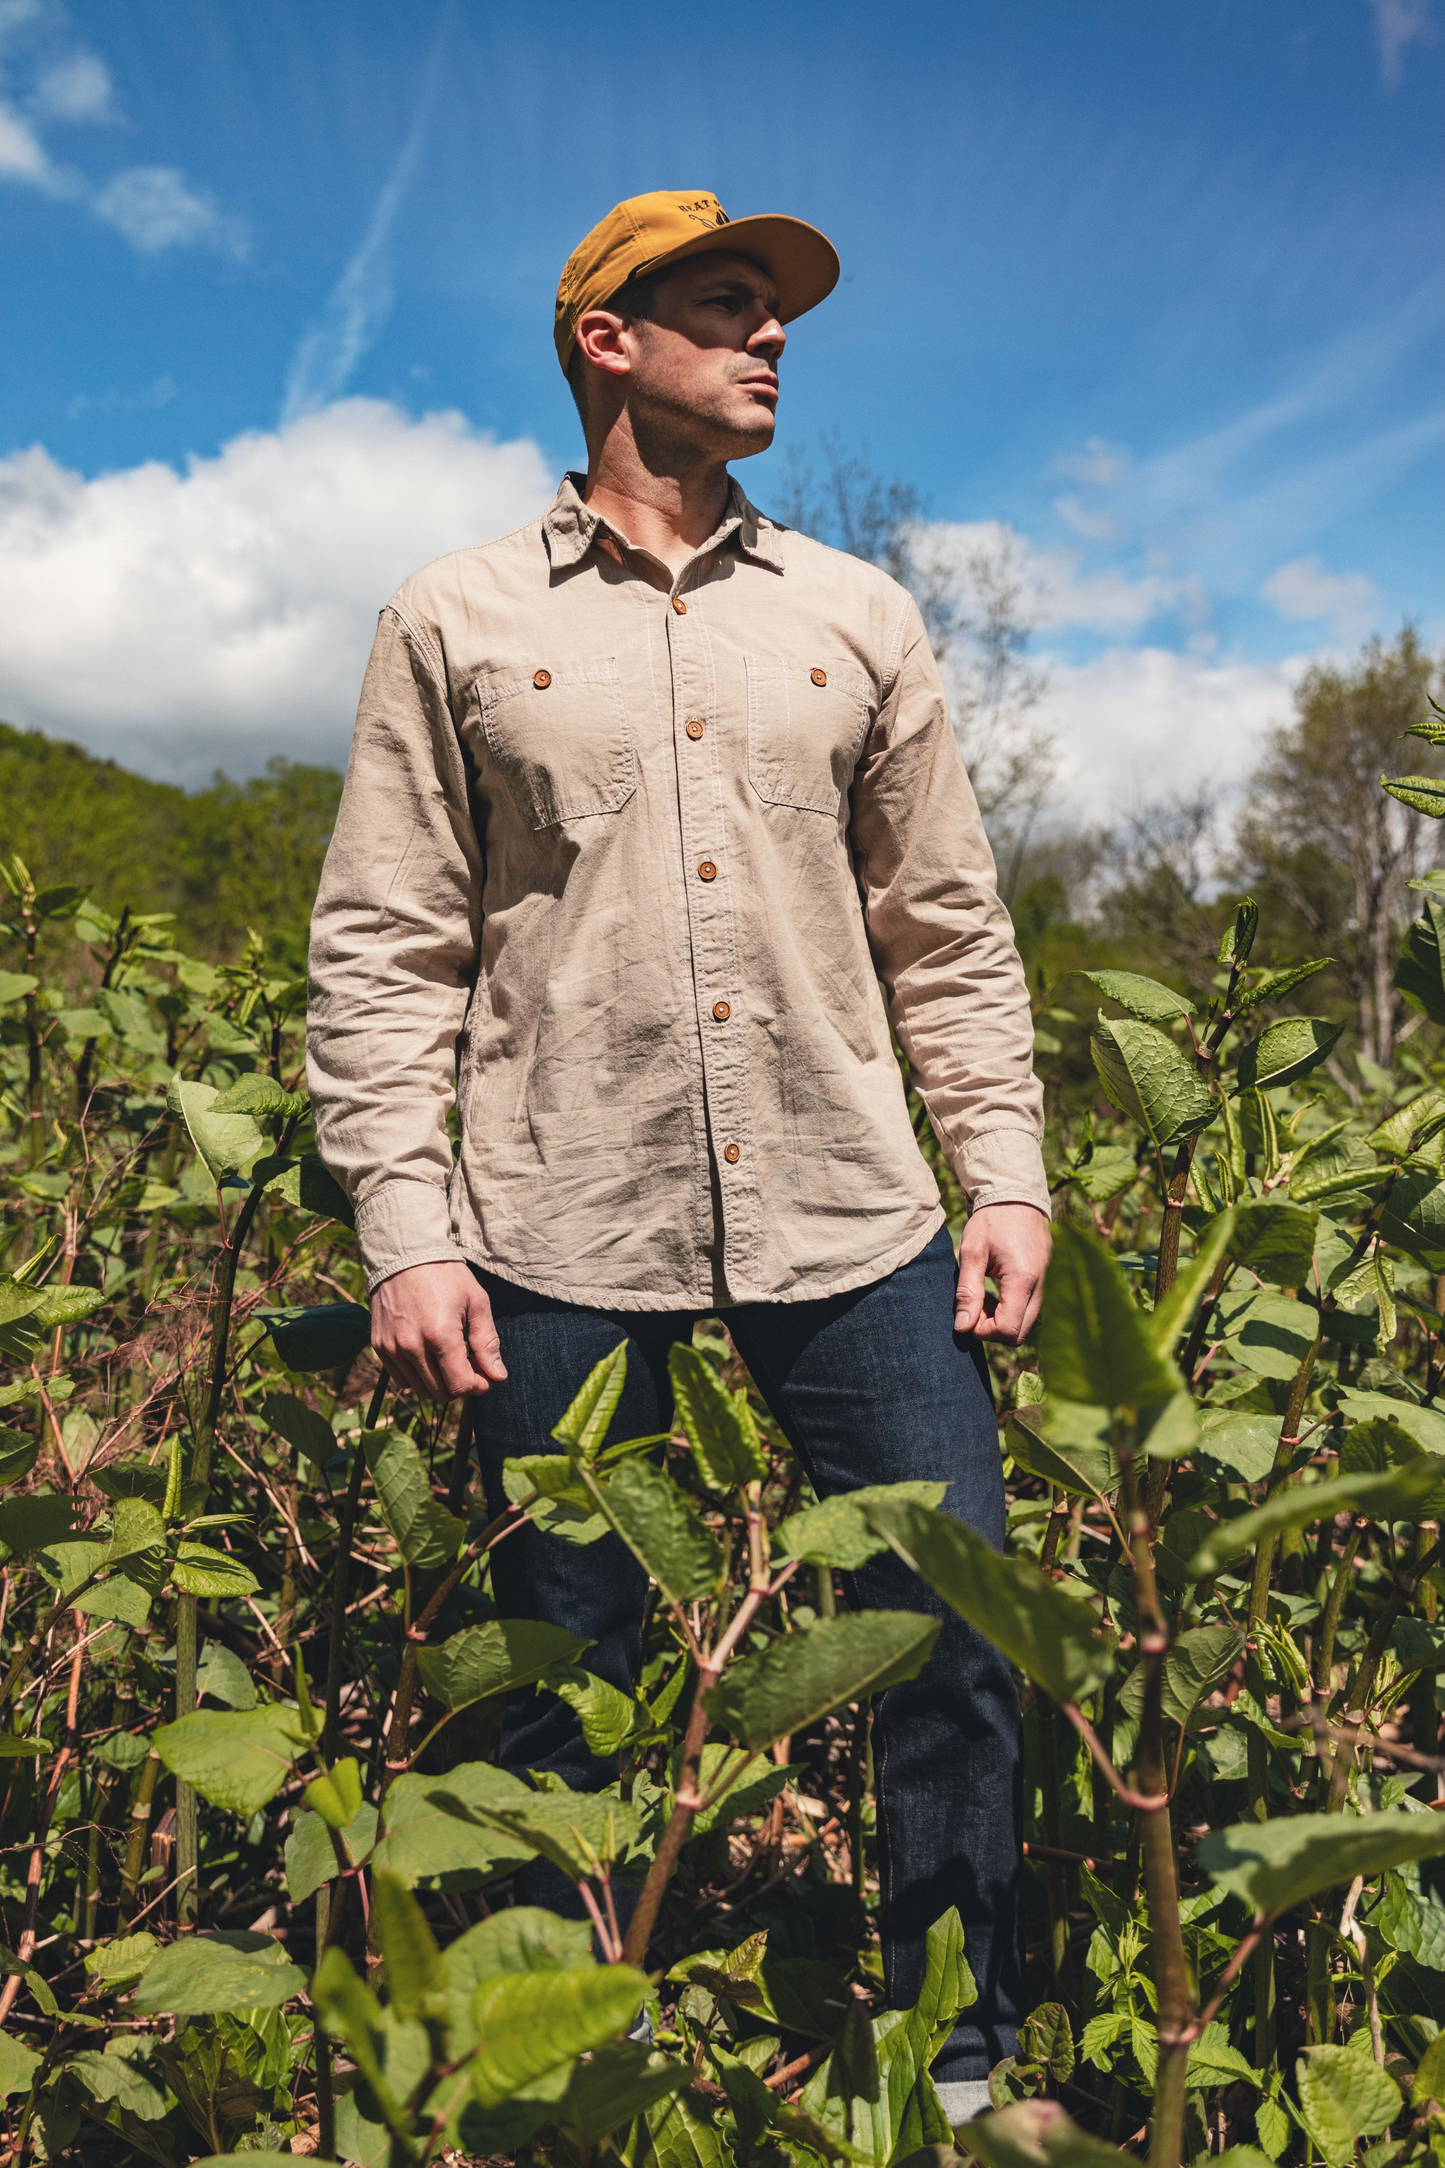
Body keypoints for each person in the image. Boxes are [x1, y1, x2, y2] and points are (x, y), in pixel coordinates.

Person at [307, 188, 1052, 2117]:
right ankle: (571, 2086)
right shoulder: (455, 616)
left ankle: (958, 2079)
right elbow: (386, 939)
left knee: (955, 1628)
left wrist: (1013, 1175)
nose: (771, 334)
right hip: (555, 1217)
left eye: (777, 310)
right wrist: (405, 1222)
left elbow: (947, 931)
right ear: (605, 343)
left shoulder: (857, 615)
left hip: (855, 1211)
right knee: (558, 1667)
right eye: (724, 306)